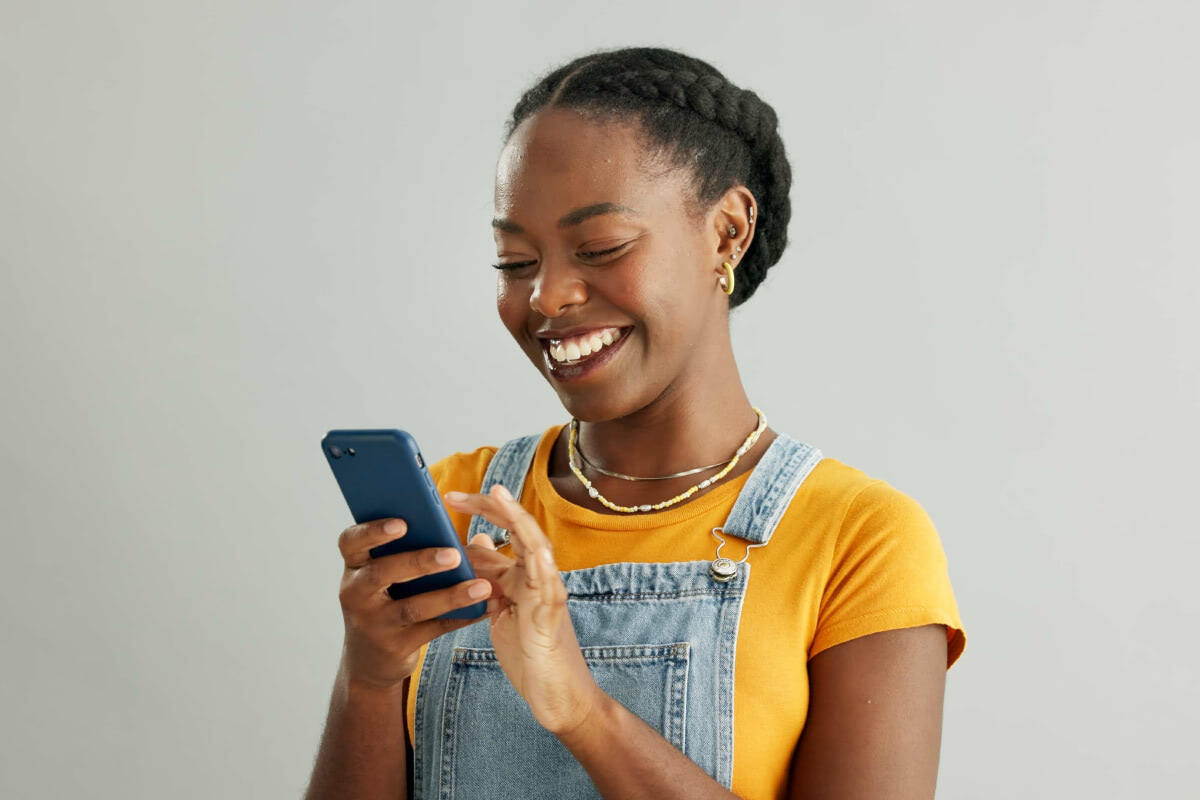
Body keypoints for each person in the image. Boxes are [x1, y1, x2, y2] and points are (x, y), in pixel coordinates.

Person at [305, 46, 966, 800]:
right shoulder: (457, 508)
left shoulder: (858, 539)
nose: (546, 296)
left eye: (601, 249)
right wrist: (369, 676)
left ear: (727, 232)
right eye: (515, 262)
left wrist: (582, 712)